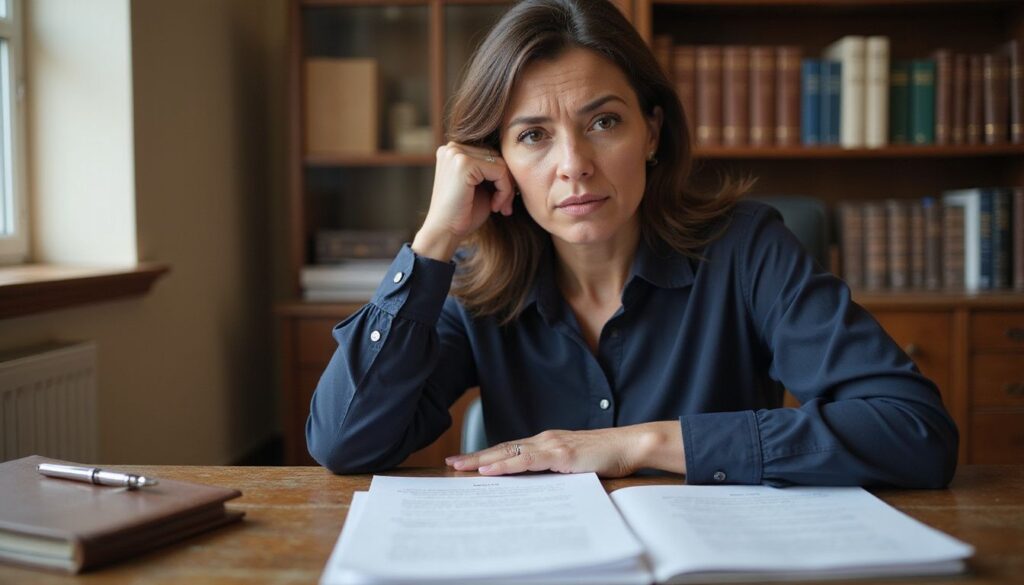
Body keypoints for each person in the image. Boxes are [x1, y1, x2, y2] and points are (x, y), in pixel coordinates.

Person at [306, 0, 958, 487]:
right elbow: (345, 443)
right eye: (533, 135)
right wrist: (435, 239)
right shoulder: (475, 278)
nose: (575, 164)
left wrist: (636, 444)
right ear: (492, 158)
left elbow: (915, 431)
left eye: (604, 122)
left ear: (651, 133)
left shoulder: (747, 248)